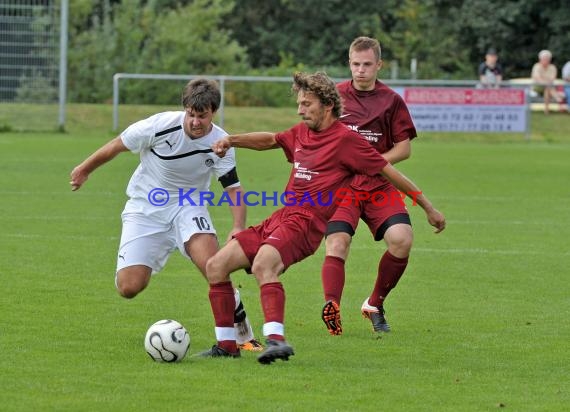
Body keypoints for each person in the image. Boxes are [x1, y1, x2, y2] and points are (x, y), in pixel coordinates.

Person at [200, 71, 446, 364]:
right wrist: (231, 140)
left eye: (306, 104)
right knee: (216, 266)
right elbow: (271, 140)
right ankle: (226, 345)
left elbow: (390, 172)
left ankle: (276, 340)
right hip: (282, 217)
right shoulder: (301, 131)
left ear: (327, 105)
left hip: (306, 224)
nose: (300, 109)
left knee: (265, 264)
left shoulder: (348, 142)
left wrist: (428, 207)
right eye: (300, 103)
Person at [69, 78, 262, 352]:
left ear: (213, 113)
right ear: (185, 109)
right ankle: (131, 261)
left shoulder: (221, 142)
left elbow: (233, 188)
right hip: (145, 207)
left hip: (189, 205)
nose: (196, 122)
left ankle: (242, 336)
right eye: (191, 114)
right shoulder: (158, 126)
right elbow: (117, 145)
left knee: (214, 267)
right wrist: (85, 169)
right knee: (129, 287)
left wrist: (238, 226)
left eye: (202, 116)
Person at [320, 36, 418, 337]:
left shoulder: (391, 101)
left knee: (402, 239)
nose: (360, 70)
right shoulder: (335, 97)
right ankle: (332, 308)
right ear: (349, 63)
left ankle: (375, 304)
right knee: (337, 243)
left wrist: (373, 163)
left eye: (366, 64)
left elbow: (404, 149)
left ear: (379, 65)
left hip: (378, 184)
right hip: (342, 186)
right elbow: (318, 138)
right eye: (355, 64)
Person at [531, 49, 565, 114]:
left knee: (547, 89)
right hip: (537, 87)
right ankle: (557, 98)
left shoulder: (552, 67)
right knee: (548, 87)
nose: (546, 60)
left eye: (547, 59)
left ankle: (546, 111)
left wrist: (543, 79)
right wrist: (546, 80)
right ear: (540, 59)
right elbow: (537, 78)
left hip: (548, 87)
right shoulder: (537, 66)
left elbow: (552, 79)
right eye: (544, 58)